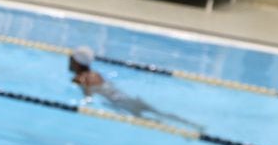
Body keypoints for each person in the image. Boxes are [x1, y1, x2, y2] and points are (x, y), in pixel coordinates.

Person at [68, 47, 202, 130]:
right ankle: (193, 126)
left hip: (122, 105)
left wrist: (86, 103)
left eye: (72, 59)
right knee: (161, 113)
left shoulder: (80, 79)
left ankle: (183, 132)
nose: (70, 61)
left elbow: (89, 98)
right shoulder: (96, 74)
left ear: (77, 62)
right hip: (130, 99)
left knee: (156, 123)